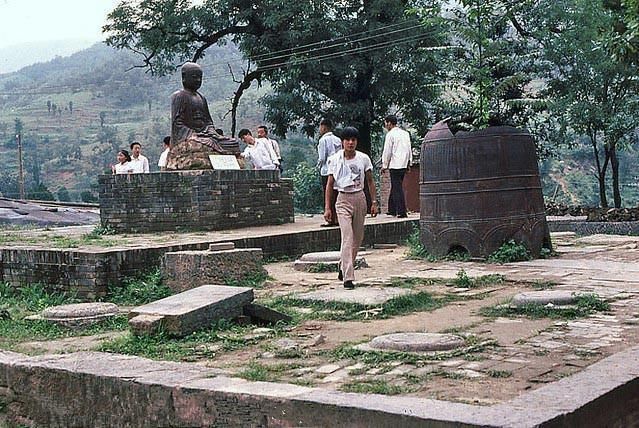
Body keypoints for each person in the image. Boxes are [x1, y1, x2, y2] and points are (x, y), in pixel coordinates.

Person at [324, 126, 378, 289]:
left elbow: (370, 181)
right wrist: (328, 207)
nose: (350, 143)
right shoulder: (335, 160)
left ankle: (344, 265)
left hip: (359, 198)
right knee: (347, 236)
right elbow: (330, 184)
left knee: (357, 238)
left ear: (356, 142)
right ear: (342, 142)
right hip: (343, 199)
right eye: (347, 140)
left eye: (353, 140)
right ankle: (348, 276)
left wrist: (373, 202)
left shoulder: (363, 159)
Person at [169, 62, 239, 163]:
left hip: (205, 134)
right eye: (194, 77)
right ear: (184, 77)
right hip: (188, 136)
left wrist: (211, 132)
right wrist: (193, 134)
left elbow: (208, 122)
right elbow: (177, 124)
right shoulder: (179, 96)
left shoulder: (202, 98)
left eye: (200, 78)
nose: (198, 80)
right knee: (199, 145)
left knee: (233, 143)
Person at [381, 114, 412, 218]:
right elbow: (409, 148)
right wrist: (409, 162)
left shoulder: (390, 135)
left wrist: (384, 165)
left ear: (389, 123)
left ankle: (402, 211)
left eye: (386, 123)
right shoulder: (405, 133)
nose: (385, 125)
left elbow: (387, 151)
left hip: (395, 164)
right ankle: (392, 209)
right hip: (403, 164)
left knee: (397, 187)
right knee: (395, 186)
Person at [317, 118, 342, 226]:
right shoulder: (337, 139)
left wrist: (318, 166)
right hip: (337, 169)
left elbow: (322, 157)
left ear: (324, 127)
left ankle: (330, 218)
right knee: (336, 194)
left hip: (327, 170)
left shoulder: (323, 140)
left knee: (328, 194)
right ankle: (336, 217)